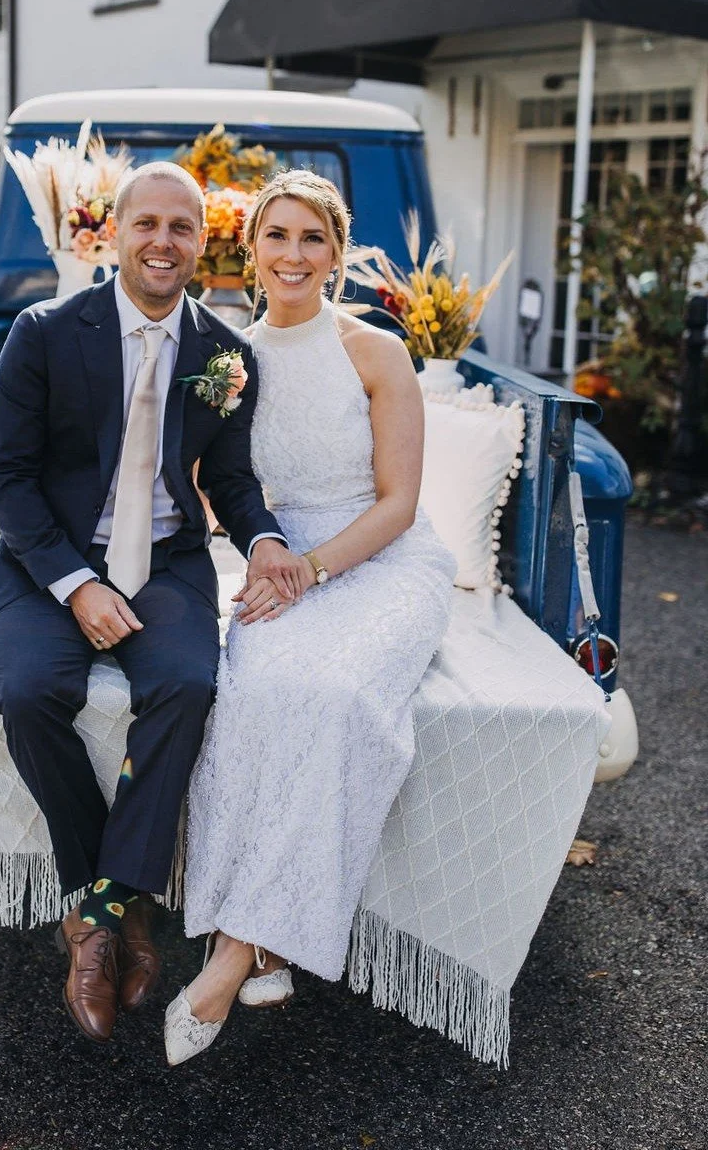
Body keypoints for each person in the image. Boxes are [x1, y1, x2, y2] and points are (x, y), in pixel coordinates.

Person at [0, 162, 305, 1045]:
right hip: (48, 559)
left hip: (166, 562)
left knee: (187, 688)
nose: (163, 241)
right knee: (30, 693)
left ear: (204, 243)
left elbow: (230, 481)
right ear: (115, 233)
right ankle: (113, 917)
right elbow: (5, 478)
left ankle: (101, 911)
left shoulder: (225, 354)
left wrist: (266, 538)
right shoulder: (44, 332)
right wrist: (75, 584)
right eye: (147, 224)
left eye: (182, 228)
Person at [166, 170, 457, 1065]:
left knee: (335, 699)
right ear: (249, 249)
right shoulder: (225, 359)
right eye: (277, 237)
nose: (294, 256)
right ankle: (268, 941)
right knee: (252, 690)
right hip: (276, 559)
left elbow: (400, 502)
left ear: (337, 253)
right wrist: (264, 560)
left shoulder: (374, 352)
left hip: (379, 563)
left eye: (313, 240)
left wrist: (314, 571)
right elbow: (211, 480)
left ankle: (232, 952)